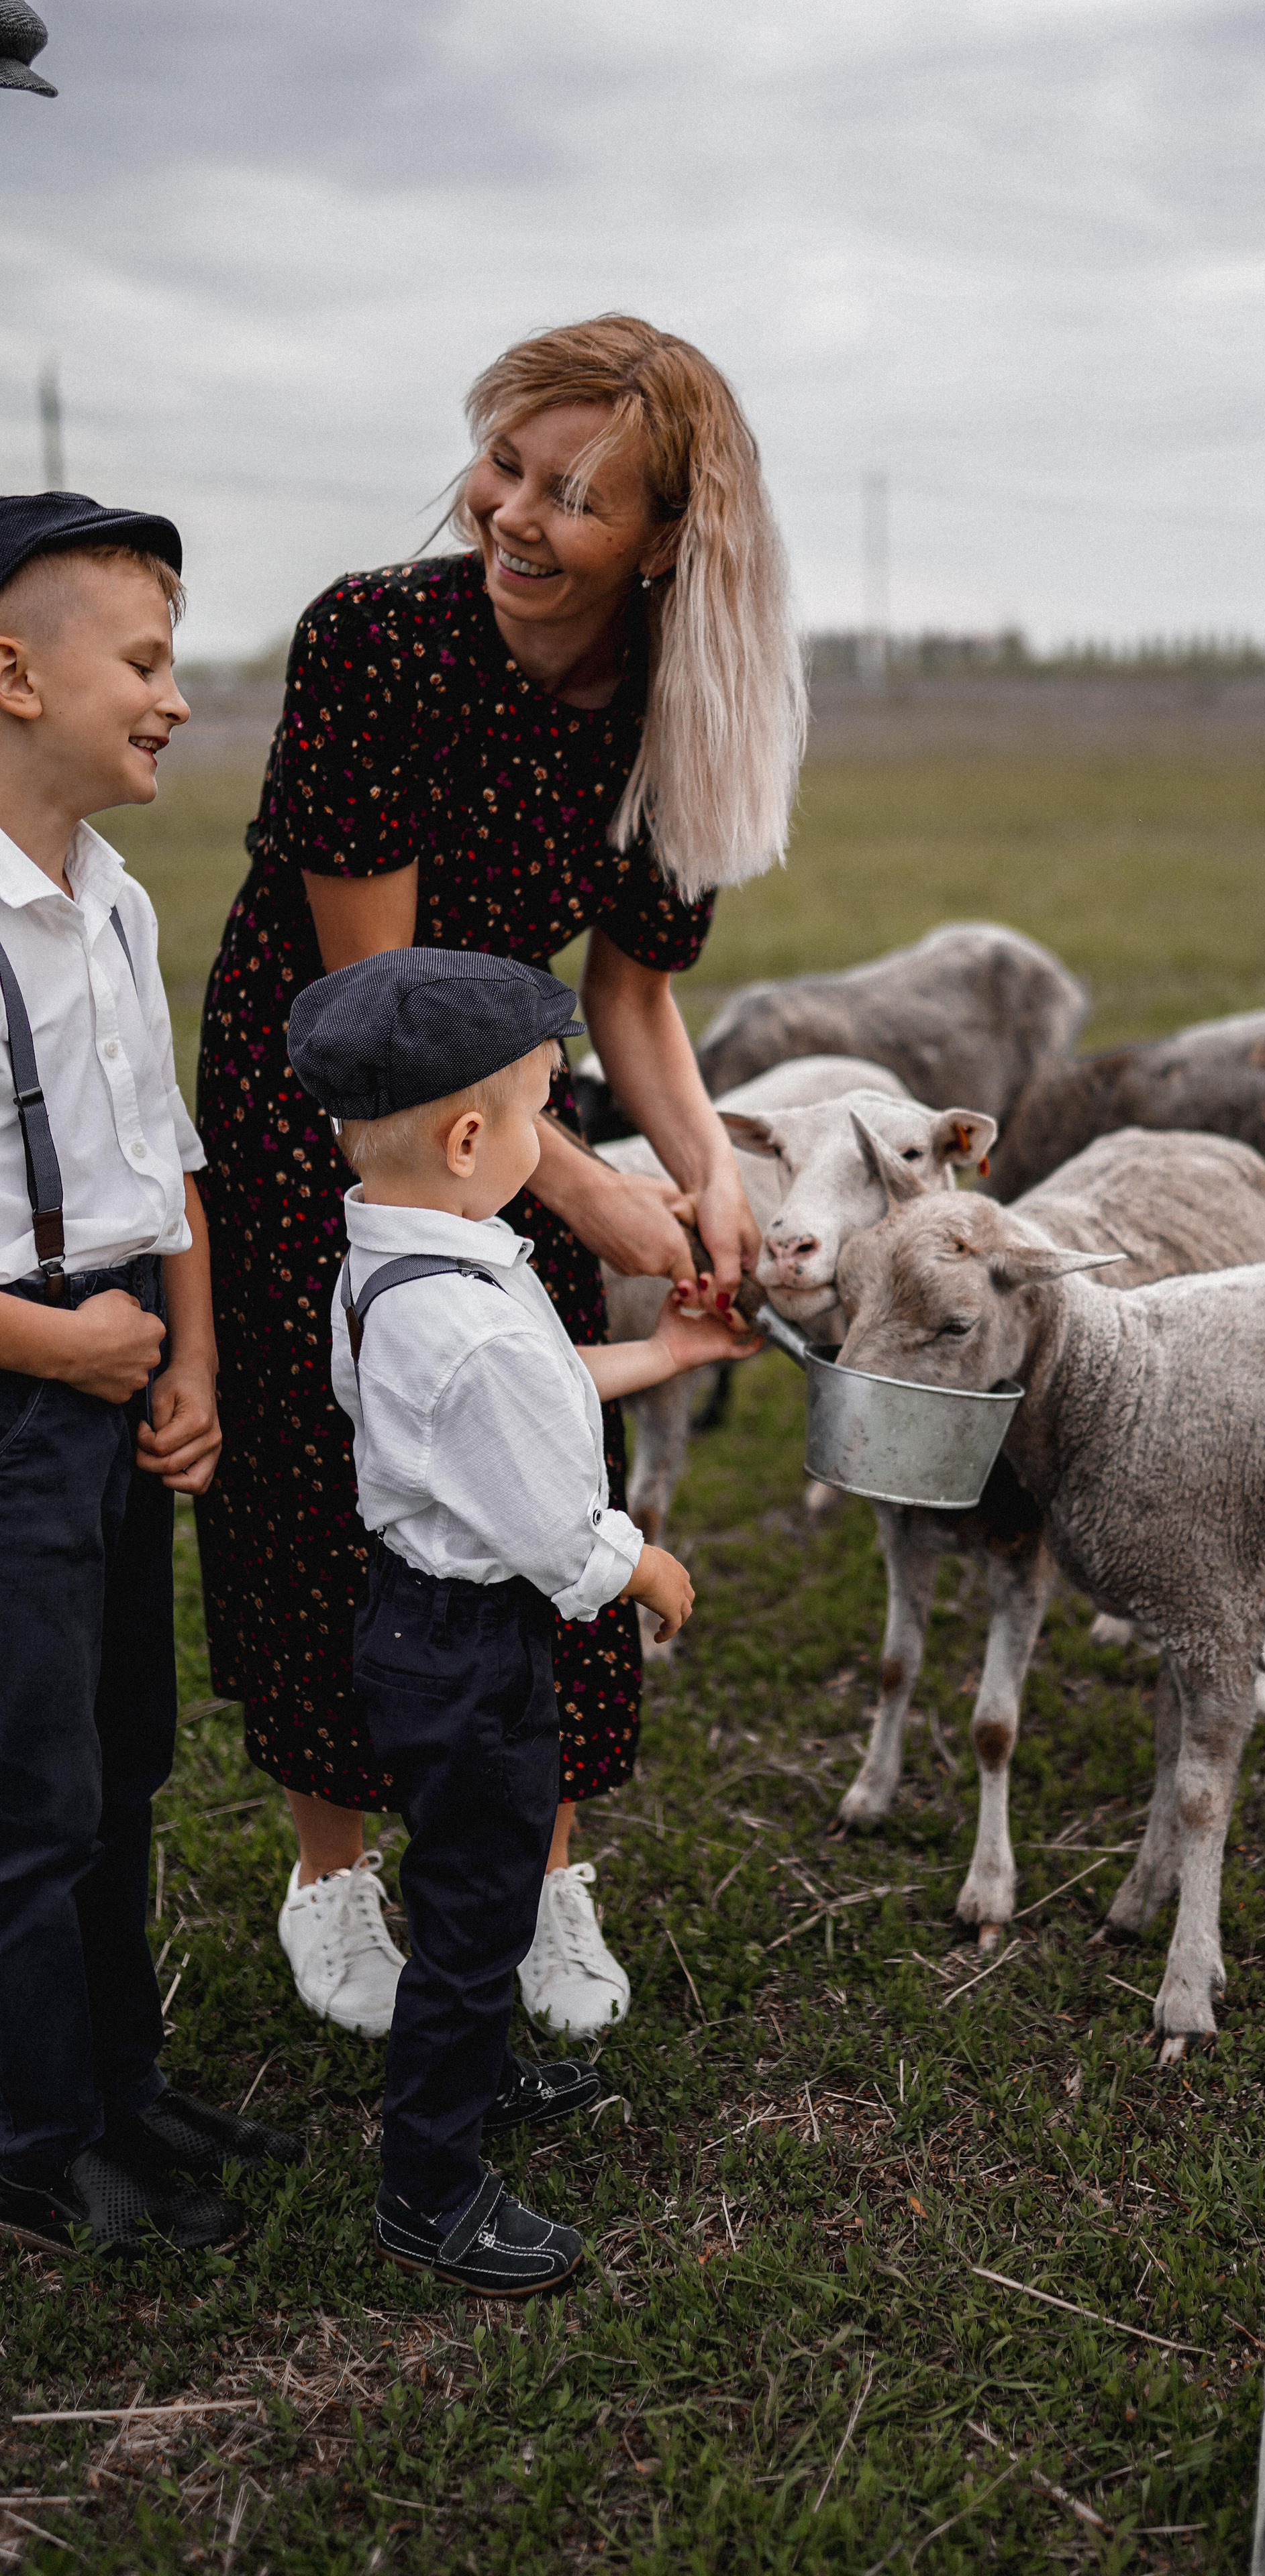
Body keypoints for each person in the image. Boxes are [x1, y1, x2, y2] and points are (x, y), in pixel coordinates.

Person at [194, 315, 805, 2045]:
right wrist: (593, 1192)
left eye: (574, 498)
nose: (514, 517)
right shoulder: (374, 641)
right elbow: (372, 1006)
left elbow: (632, 993)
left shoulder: (674, 712)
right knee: (336, 1470)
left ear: (670, 542)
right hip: (321, 1095)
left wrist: (705, 1173)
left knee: (540, 1451)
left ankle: (542, 1878)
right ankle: (331, 1874)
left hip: (516, 1110)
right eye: (505, 469)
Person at [286, 947, 750, 2292]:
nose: (554, 1132)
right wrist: (643, 1567)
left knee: (462, 1875)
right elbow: (551, 1526)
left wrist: (662, 1354)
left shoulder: (393, 1264)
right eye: (549, 1110)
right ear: (473, 1136)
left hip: (418, 1627)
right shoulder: (469, 1322)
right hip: (470, 1644)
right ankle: (430, 2186)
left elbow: (526, 1395)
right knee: (483, 1902)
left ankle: (477, 2069)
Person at [0, 493, 301, 2259]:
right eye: (148, 659)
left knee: (122, 1765)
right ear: (15, 675)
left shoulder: (112, 899)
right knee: (25, 1797)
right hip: (25, 1387)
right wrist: (68, 1346)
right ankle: (37, 2145)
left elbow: (164, 1158)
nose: (175, 695)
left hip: (121, 1364)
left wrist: (189, 1355)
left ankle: (122, 2083)